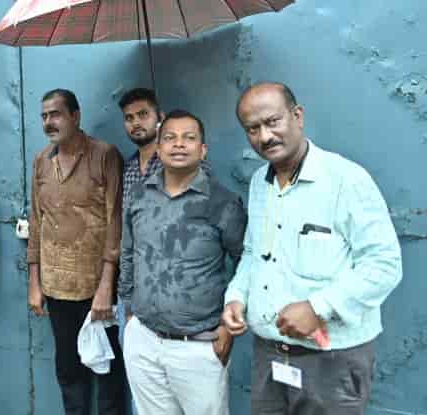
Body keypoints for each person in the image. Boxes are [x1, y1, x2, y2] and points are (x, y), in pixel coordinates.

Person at [221, 82, 402, 414]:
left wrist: (318, 307)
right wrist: (236, 296)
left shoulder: (346, 180)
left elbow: (384, 264)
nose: (264, 136)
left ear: (298, 116)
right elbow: (253, 252)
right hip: (270, 354)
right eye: (252, 129)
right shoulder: (260, 183)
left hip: (332, 360)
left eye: (272, 122)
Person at [120, 109, 247, 414]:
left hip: (200, 346)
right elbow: (128, 252)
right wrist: (130, 313)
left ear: (202, 150)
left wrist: (226, 327)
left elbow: (247, 262)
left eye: (189, 138)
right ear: (158, 147)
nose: (179, 144)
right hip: (143, 339)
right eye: (170, 138)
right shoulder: (139, 195)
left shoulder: (222, 202)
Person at [27, 89, 126, 415]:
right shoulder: (42, 161)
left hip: (97, 288)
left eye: (55, 114)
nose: (48, 122)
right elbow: (37, 222)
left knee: (108, 370)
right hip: (56, 288)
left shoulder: (104, 155)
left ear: (75, 116)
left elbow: (115, 221)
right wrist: (34, 283)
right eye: (44, 116)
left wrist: (106, 287)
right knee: (69, 371)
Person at [118, 88, 164, 207]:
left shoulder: (177, 159)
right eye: (129, 118)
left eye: (143, 114)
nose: (136, 123)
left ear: (160, 117)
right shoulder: (128, 169)